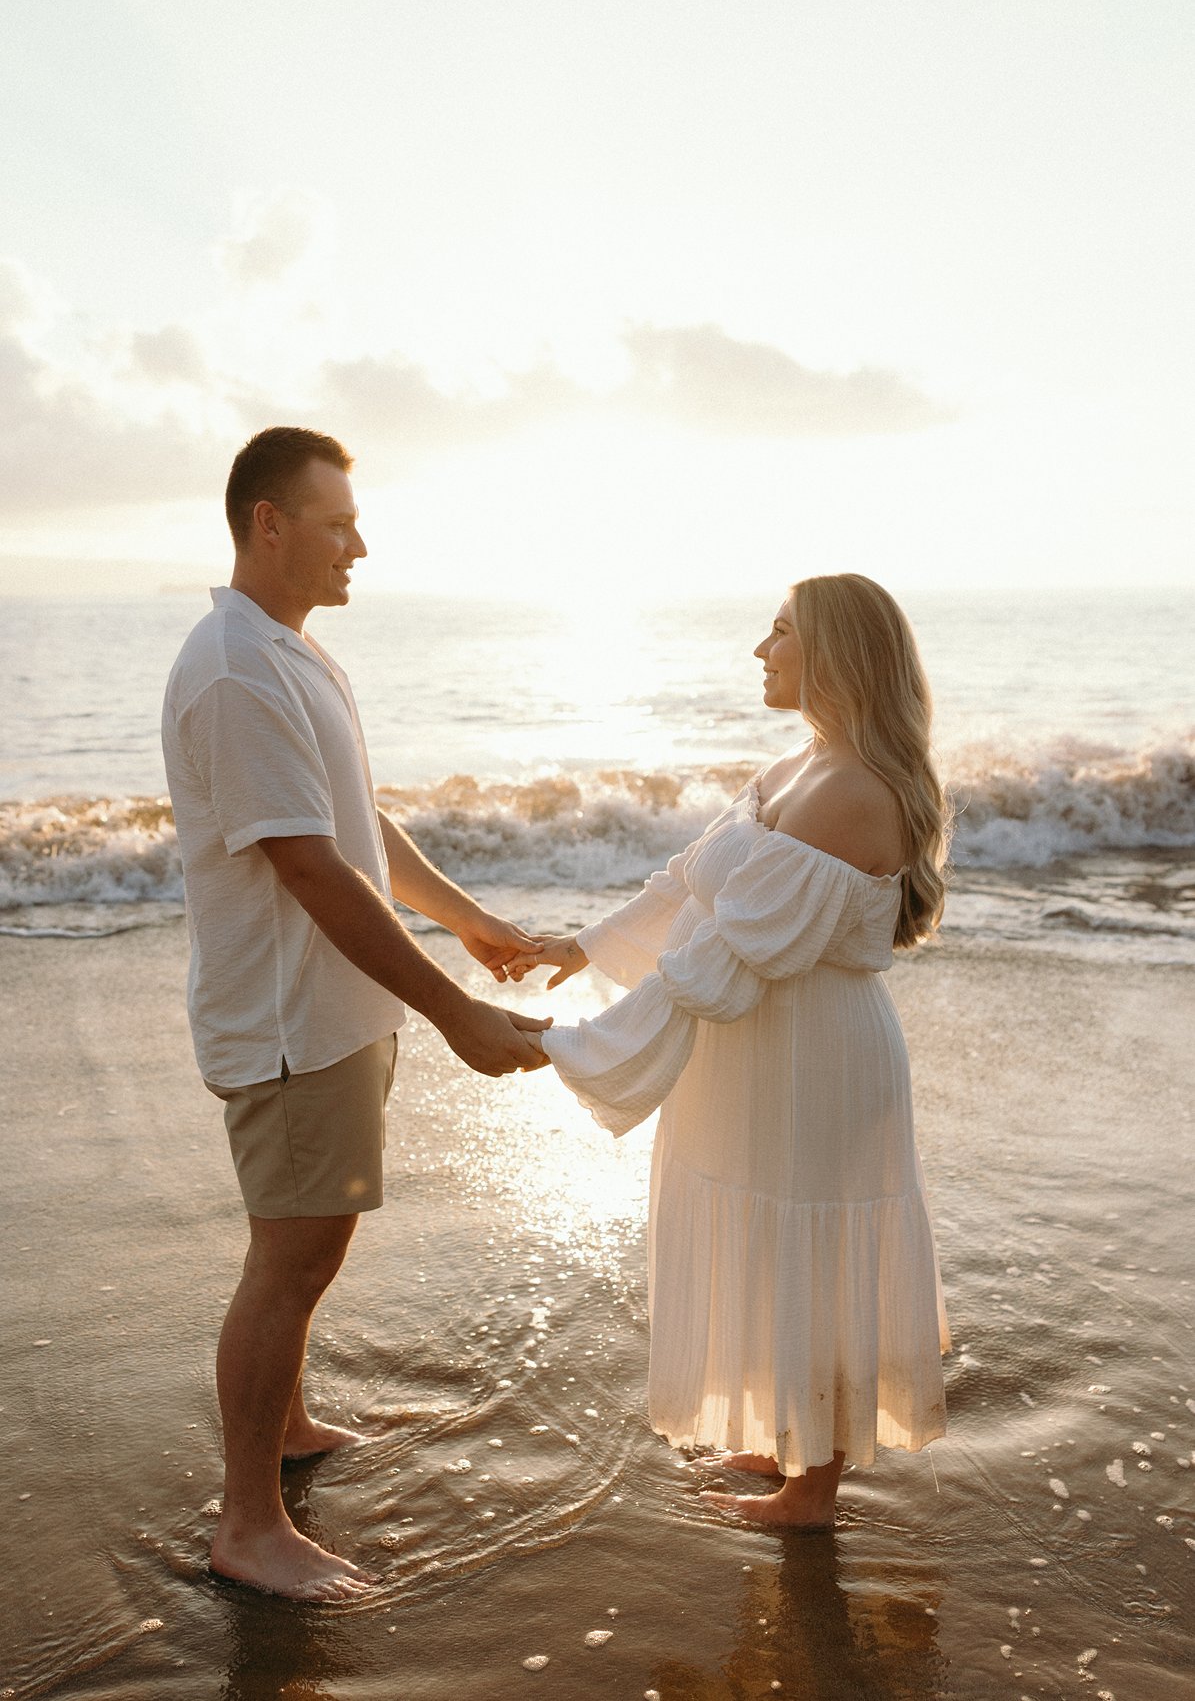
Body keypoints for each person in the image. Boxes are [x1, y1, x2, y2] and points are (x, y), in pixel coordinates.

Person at [161, 426, 551, 1600]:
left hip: (334, 1011)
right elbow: (310, 870)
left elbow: (358, 830)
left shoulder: (294, 654)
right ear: (267, 523)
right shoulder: (234, 669)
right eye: (337, 524)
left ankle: (283, 1428)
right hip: (288, 1022)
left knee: (301, 1250)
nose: (360, 546)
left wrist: (464, 920)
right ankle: (248, 1525)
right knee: (293, 1257)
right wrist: (454, 1013)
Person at [516, 574, 951, 1530]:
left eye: (781, 632)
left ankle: (814, 1489)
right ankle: (789, 1432)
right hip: (755, 1041)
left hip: (813, 1053)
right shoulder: (802, 761)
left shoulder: (849, 788)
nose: (760, 649)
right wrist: (581, 946)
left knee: (809, 1242)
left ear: (835, 653)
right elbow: (692, 887)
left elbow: (725, 950)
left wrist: (577, 1046)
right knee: (763, 1241)